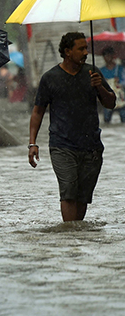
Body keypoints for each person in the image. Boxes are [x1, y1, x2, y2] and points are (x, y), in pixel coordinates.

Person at [28, 32, 115, 222]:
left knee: (83, 196)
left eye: (86, 48)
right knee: (68, 191)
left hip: (91, 146)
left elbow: (111, 104)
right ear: (68, 52)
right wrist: (32, 143)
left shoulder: (93, 73)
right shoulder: (50, 78)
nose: (85, 52)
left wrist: (99, 87)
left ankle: (76, 235)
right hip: (62, 145)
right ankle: (69, 235)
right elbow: (38, 112)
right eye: (81, 48)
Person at [98, 46, 125, 123]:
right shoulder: (101, 70)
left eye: (109, 55)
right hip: (108, 97)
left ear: (113, 56)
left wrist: (119, 81)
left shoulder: (120, 69)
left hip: (120, 98)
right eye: (105, 56)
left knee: (123, 119)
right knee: (107, 119)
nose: (107, 58)